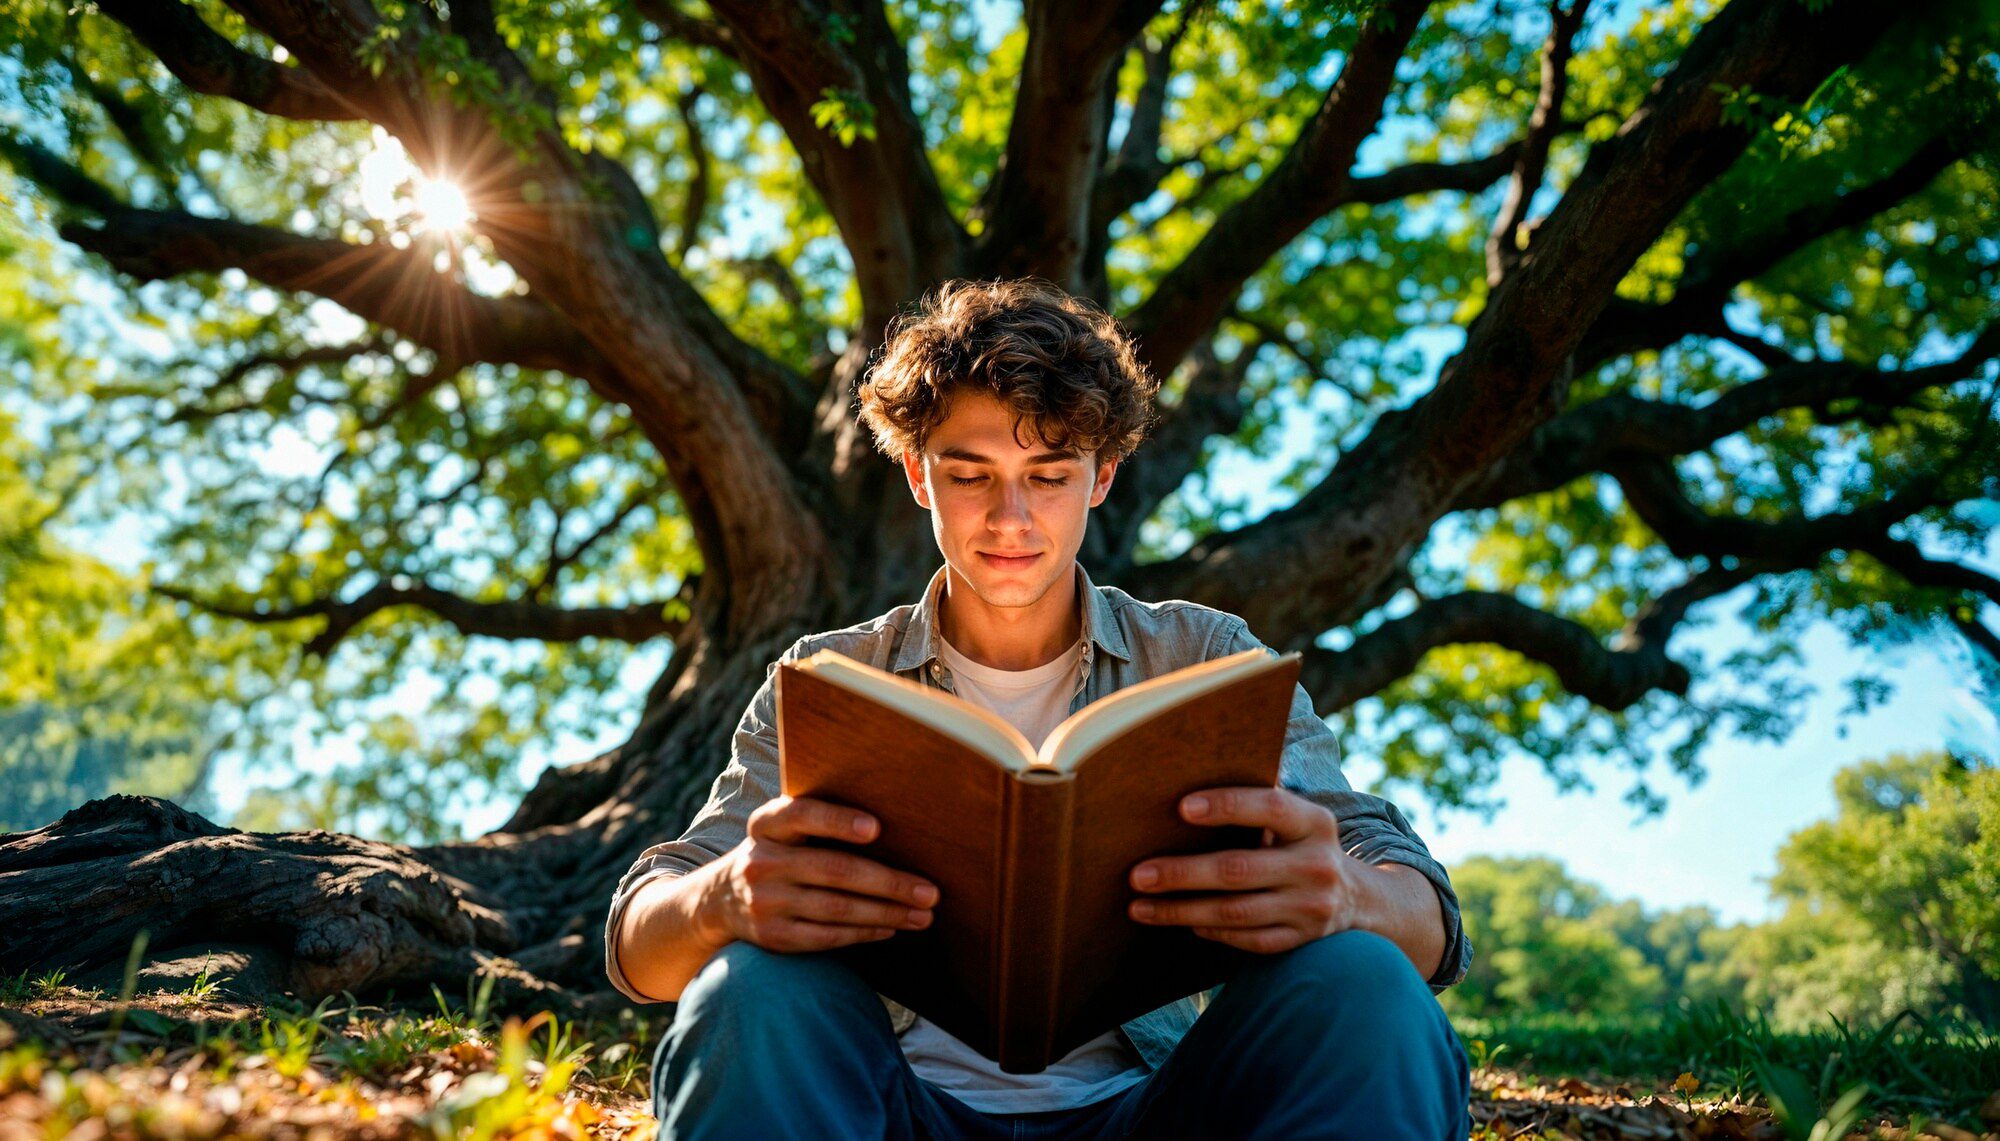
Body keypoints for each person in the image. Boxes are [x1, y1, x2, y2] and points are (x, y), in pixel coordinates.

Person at [604, 277, 1474, 1139]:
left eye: (1049, 475)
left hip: (1152, 1115)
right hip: (887, 1112)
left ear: (1102, 477)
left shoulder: (1205, 656)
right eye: (969, 474)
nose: (1010, 518)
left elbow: (1430, 921)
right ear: (917, 474)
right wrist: (722, 897)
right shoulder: (827, 677)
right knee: (751, 987)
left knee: (1364, 978)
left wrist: (1350, 894)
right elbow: (639, 942)